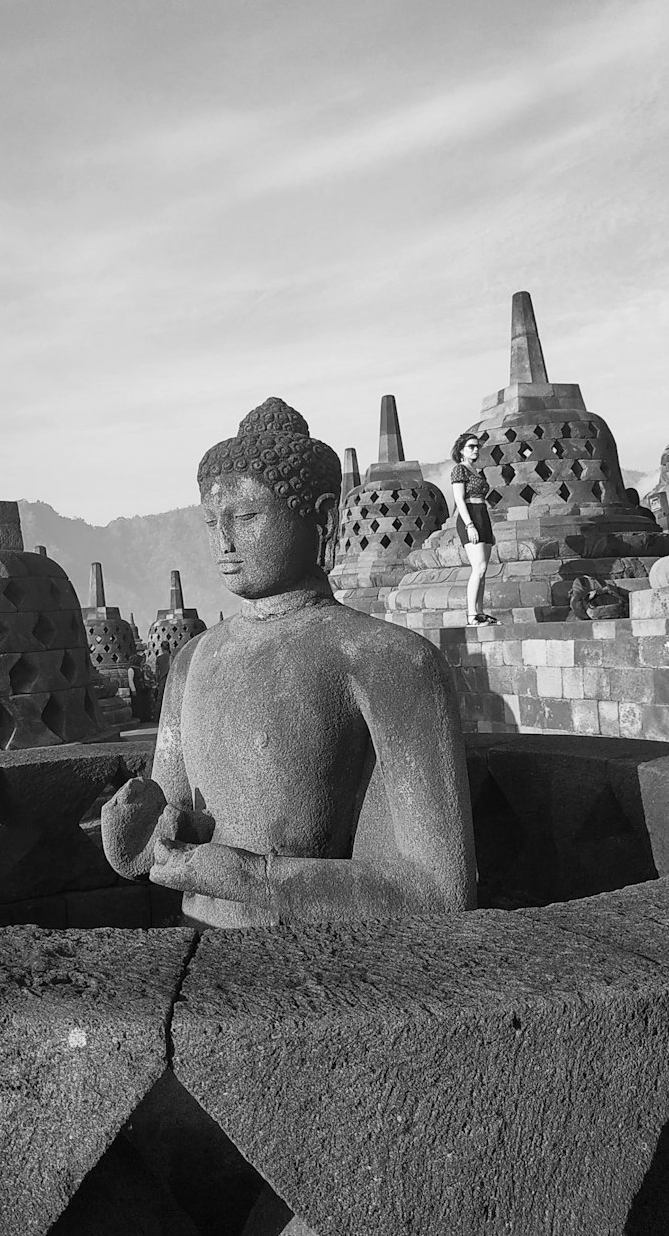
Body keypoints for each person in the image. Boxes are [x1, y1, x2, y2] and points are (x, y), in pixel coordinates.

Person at [101, 397, 476, 929]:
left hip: (322, 965)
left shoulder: (388, 661)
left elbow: (437, 889)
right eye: (212, 522)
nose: (225, 543)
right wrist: (138, 841)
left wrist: (250, 878)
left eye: (248, 517)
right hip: (193, 950)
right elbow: (171, 822)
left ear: (321, 517)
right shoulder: (191, 660)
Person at [450, 432, 497, 625]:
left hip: (482, 514)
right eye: (471, 446)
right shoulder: (459, 470)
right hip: (469, 515)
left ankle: (480, 611)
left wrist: (488, 530)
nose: (475, 449)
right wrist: (470, 525)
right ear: (461, 450)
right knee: (479, 567)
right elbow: (459, 500)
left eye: (477, 446)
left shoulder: (477, 471)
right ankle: (471, 614)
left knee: (483, 570)